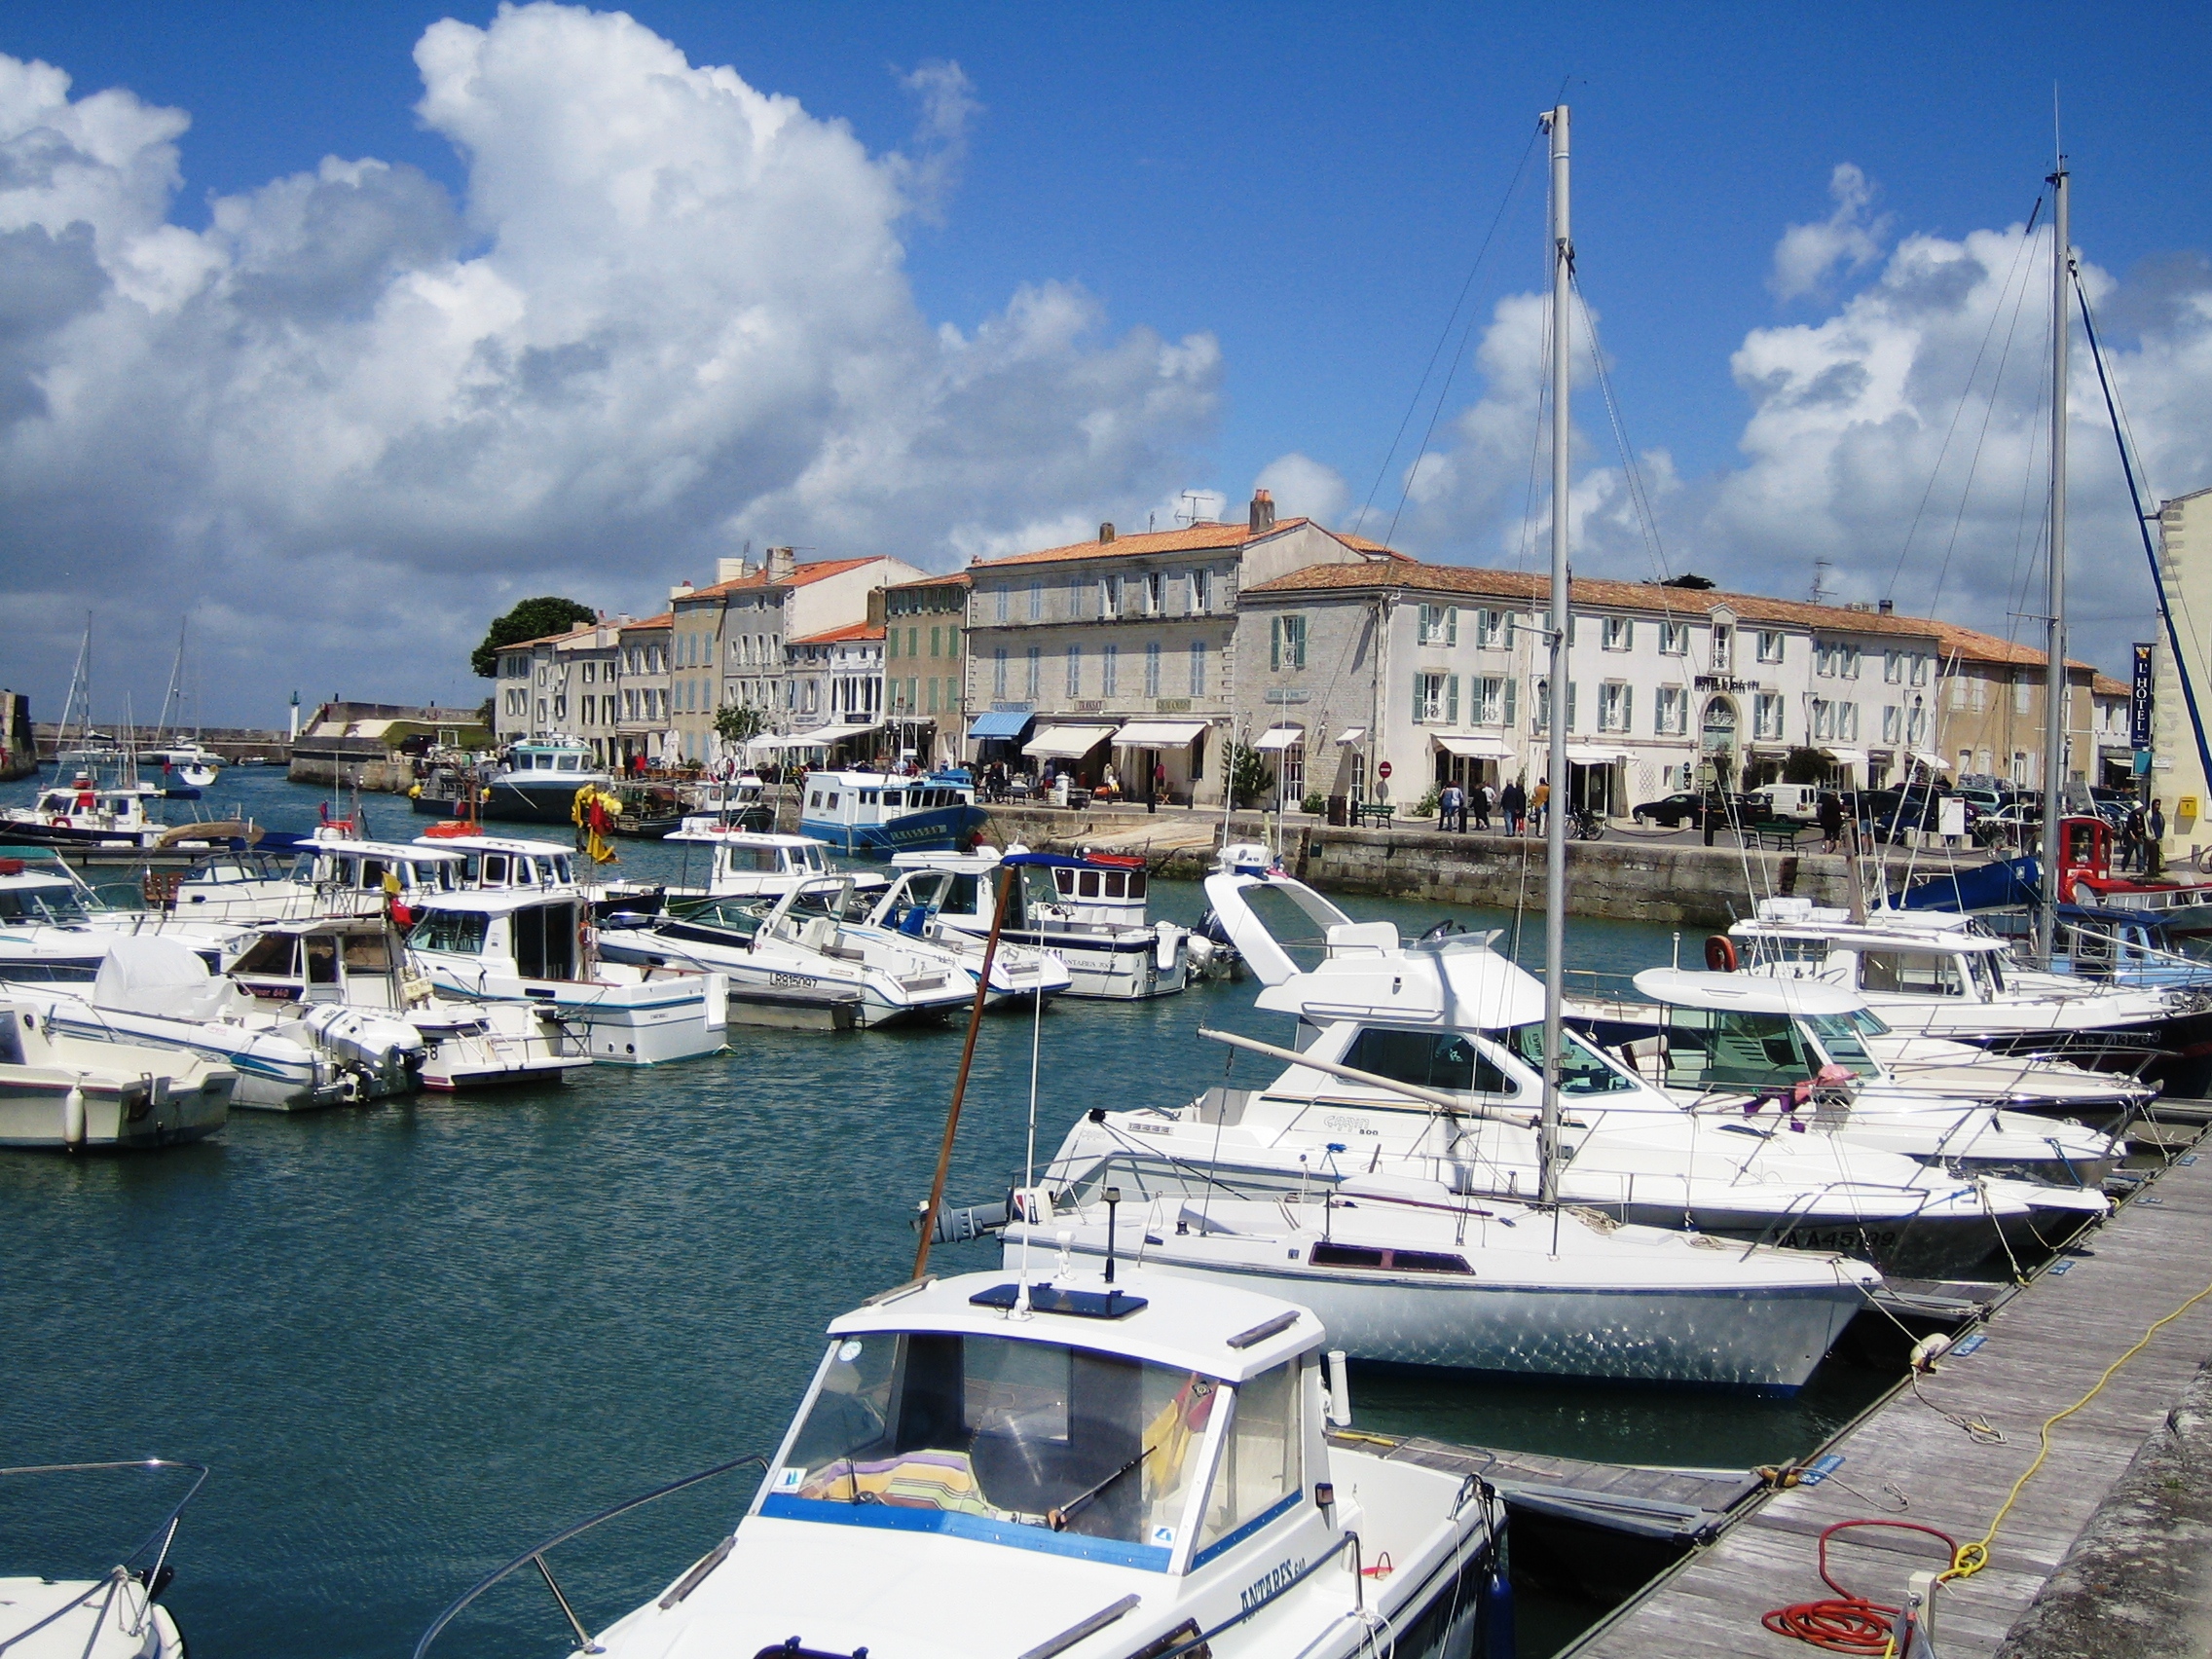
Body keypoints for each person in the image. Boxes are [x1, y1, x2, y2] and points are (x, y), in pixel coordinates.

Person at [1818, 791, 1845, 855]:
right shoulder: (1837, 803)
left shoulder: (1826, 803)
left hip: (1827, 822)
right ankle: (1837, 851)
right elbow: (1840, 810)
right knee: (1837, 837)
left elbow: (1822, 811)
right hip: (1836, 822)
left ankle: (1827, 851)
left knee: (1827, 836)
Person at [2150, 797, 2167, 876]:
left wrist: (2161, 833)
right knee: (2151, 852)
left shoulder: (2159, 815)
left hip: (2159, 835)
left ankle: (2161, 866)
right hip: (2151, 836)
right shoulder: (2150, 814)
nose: (2158, 806)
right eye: (2156, 804)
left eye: (2159, 805)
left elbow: (2162, 823)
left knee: (2160, 851)